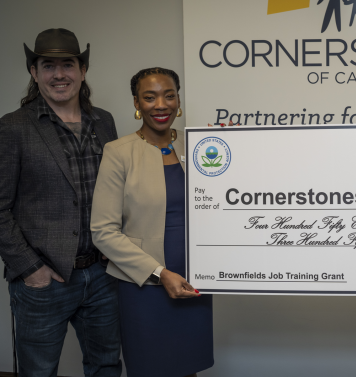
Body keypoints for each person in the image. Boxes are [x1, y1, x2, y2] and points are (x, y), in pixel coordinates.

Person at [0, 28, 121, 376]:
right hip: (45, 281)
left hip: (102, 274)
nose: (59, 75)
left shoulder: (104, 121)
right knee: (38, 371)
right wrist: (30, 269)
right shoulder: (13, 127)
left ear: (82, 71)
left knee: (106, 366)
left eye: (67, 64)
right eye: (48, 65)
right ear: (34, 73)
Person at [91, 67, 214, 377]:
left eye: (169, 95)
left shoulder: (200, 146)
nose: (161, 104)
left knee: (188, 367)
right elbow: (103, 232)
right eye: (150, 97)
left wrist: (231, 144)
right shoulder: (118, 152)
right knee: (151, 367)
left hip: (195, 279)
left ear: (178, 100)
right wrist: (160, 273)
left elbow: (228, 202)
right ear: (137, 103)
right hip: (145, 283)